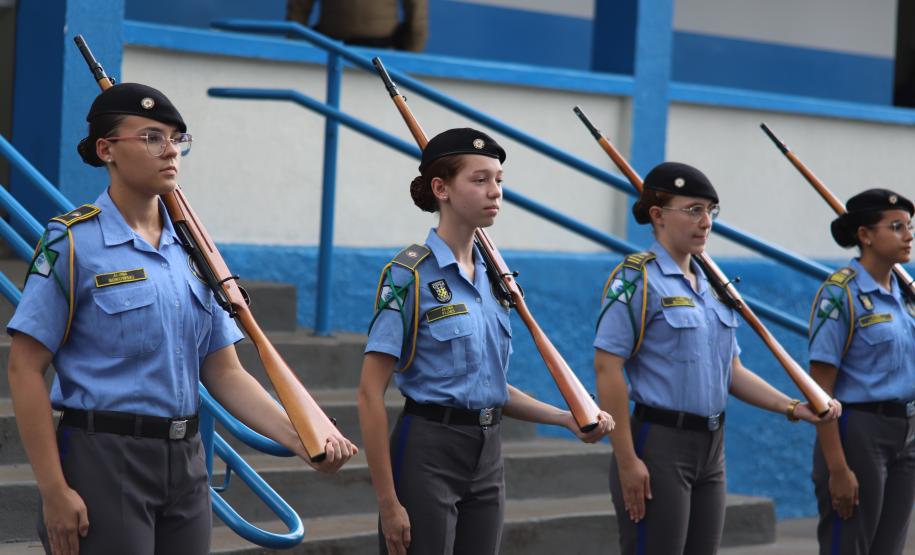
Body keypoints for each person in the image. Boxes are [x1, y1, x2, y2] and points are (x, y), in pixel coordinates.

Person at [6, 82, 356, 555]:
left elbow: (224, 370)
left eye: (176, 138)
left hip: (186, 462)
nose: (170, 150)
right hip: (104, 456)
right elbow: (24, 369)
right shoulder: (72, 243)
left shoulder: (192, 251)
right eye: (152, 137)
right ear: (106, 150)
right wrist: (52, 489)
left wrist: (301, 436)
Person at [357, 127, 613, 555]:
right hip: (427, 450)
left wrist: (564, 418)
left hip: (487, 455)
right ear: (441, 188)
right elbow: (368, 393)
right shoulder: (409, 275)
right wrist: (388, 501)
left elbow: (490, 386)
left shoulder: (497, 280)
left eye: (499, 180)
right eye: (479, 180)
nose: (495, 192)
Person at [593, 161, 841, 555]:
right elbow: (608, 367)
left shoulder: (713, 286)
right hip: (659, 444)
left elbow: (732, 372)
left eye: (710, 210)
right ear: (657, 215)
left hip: (711, 447)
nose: (705, 221)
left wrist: (792, 406)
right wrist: (626, 459)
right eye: (693, 209)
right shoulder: (637, 279)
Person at [808, 188, 915, 555]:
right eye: (896, 226)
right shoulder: (839, 295)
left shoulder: (906, 293)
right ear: (865, 235)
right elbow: (820, 391)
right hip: (858, 432)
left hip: (906, 433)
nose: (908, 235)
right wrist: (837, 468)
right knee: (849, 545)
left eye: (910, 226)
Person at [286, 0, 429, 52]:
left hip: (330, 52)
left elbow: (298, 10)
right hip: (383, 54)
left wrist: (295, 51)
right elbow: (417, 13)